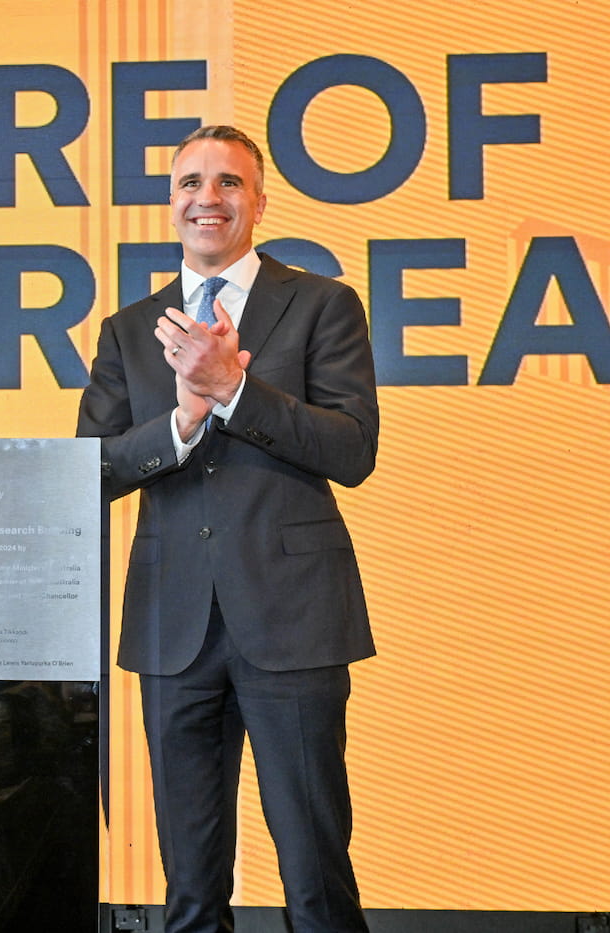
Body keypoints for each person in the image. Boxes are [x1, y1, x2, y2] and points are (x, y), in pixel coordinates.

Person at [76, 125, 378, 933]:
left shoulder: (322, 304)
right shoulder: (129, 328)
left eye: (229, 183)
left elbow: (353, 448)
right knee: (191, 889)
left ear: (259, 202)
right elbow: (89, 469)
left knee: (315, 876)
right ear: (170, 202)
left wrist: (235, 391)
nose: (207, 198)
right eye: (191, 183)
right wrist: (181, 421)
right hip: (173, 626)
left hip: (294, 620)